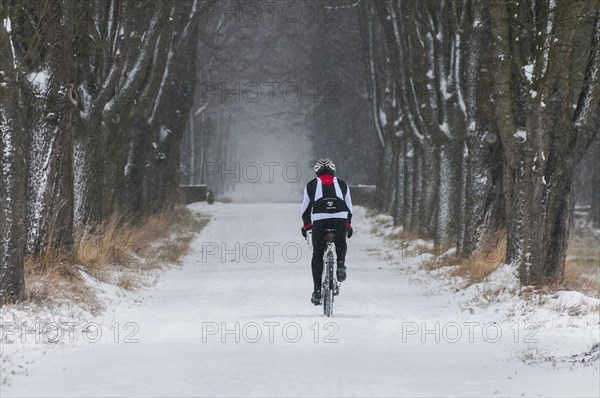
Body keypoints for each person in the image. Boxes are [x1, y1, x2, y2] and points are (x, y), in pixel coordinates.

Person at [300, 158, 353, 305]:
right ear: (333, 170)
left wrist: (308, 227)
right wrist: (347, 225)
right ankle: (341, 265)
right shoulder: (342, 184)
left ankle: (317, 291)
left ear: (317, 171)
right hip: (340, 217)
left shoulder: (311, 185)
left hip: (320, 220)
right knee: (341, 241)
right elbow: (349, 208)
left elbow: (304, 210)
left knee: (317, 254)